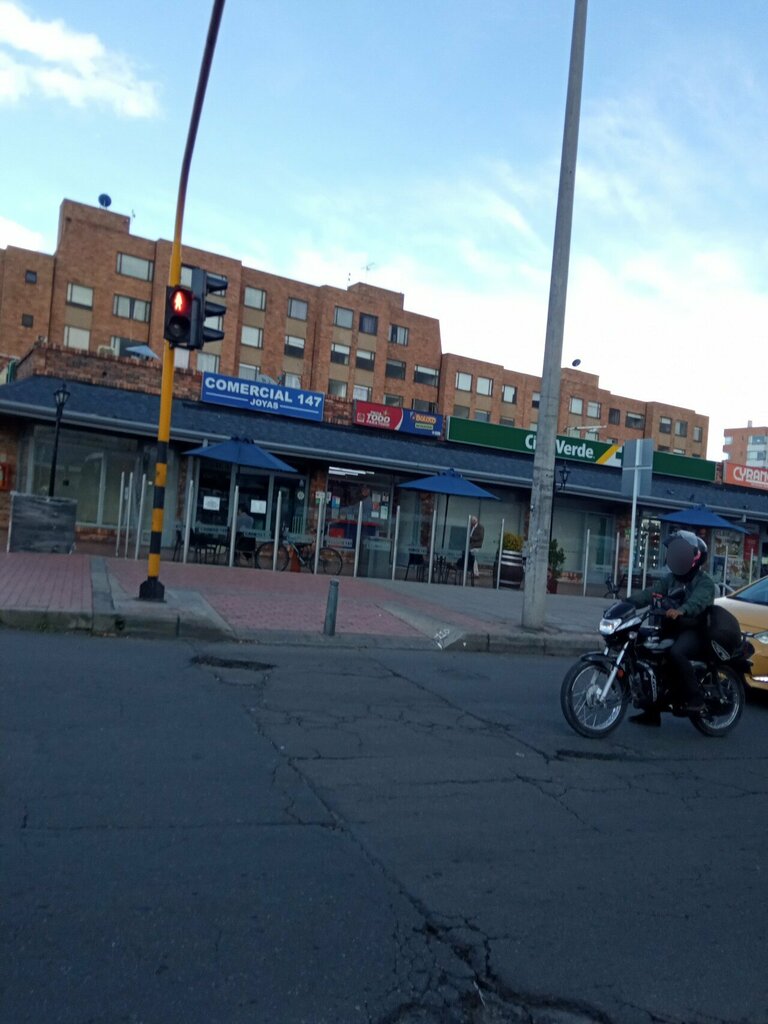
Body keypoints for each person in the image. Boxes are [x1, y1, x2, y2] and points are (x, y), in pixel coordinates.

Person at [626, 529, 716, 726]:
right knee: (641, 648)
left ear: (695, 557)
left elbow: (698, 602)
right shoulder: (671, 579)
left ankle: (696, 699)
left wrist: (682, 610)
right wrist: (628, 603)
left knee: (676, 653)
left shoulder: (705, 582)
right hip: (672, 628)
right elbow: (651, 592)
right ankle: (651, 711)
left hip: (695, 630)